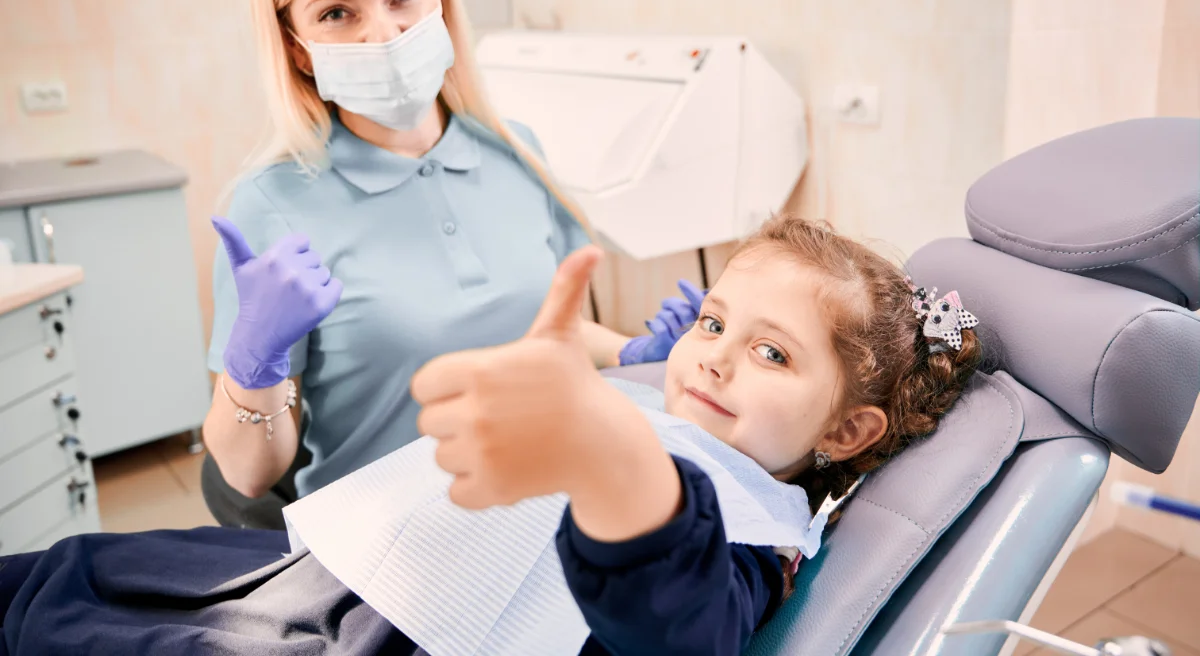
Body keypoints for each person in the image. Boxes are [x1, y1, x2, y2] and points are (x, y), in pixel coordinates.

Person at [0, 216, 982, 655]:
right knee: (67, 567)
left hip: (375, 633)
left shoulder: (757, 528)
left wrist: (610, 454)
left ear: (851, 427)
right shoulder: (662, 398)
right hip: (330, 574)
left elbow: (678, 623)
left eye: (774, 354)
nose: (715, 356)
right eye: (714, 322)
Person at [199, 0, 703, 527]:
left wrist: (632, 353)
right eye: (336, 13)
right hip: (391, 537)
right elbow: (246, 476)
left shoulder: (515, 152)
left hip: (540, 500)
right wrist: (253, 365)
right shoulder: (272, 203)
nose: (382, 33)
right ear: (297, 47)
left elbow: (545, 331)